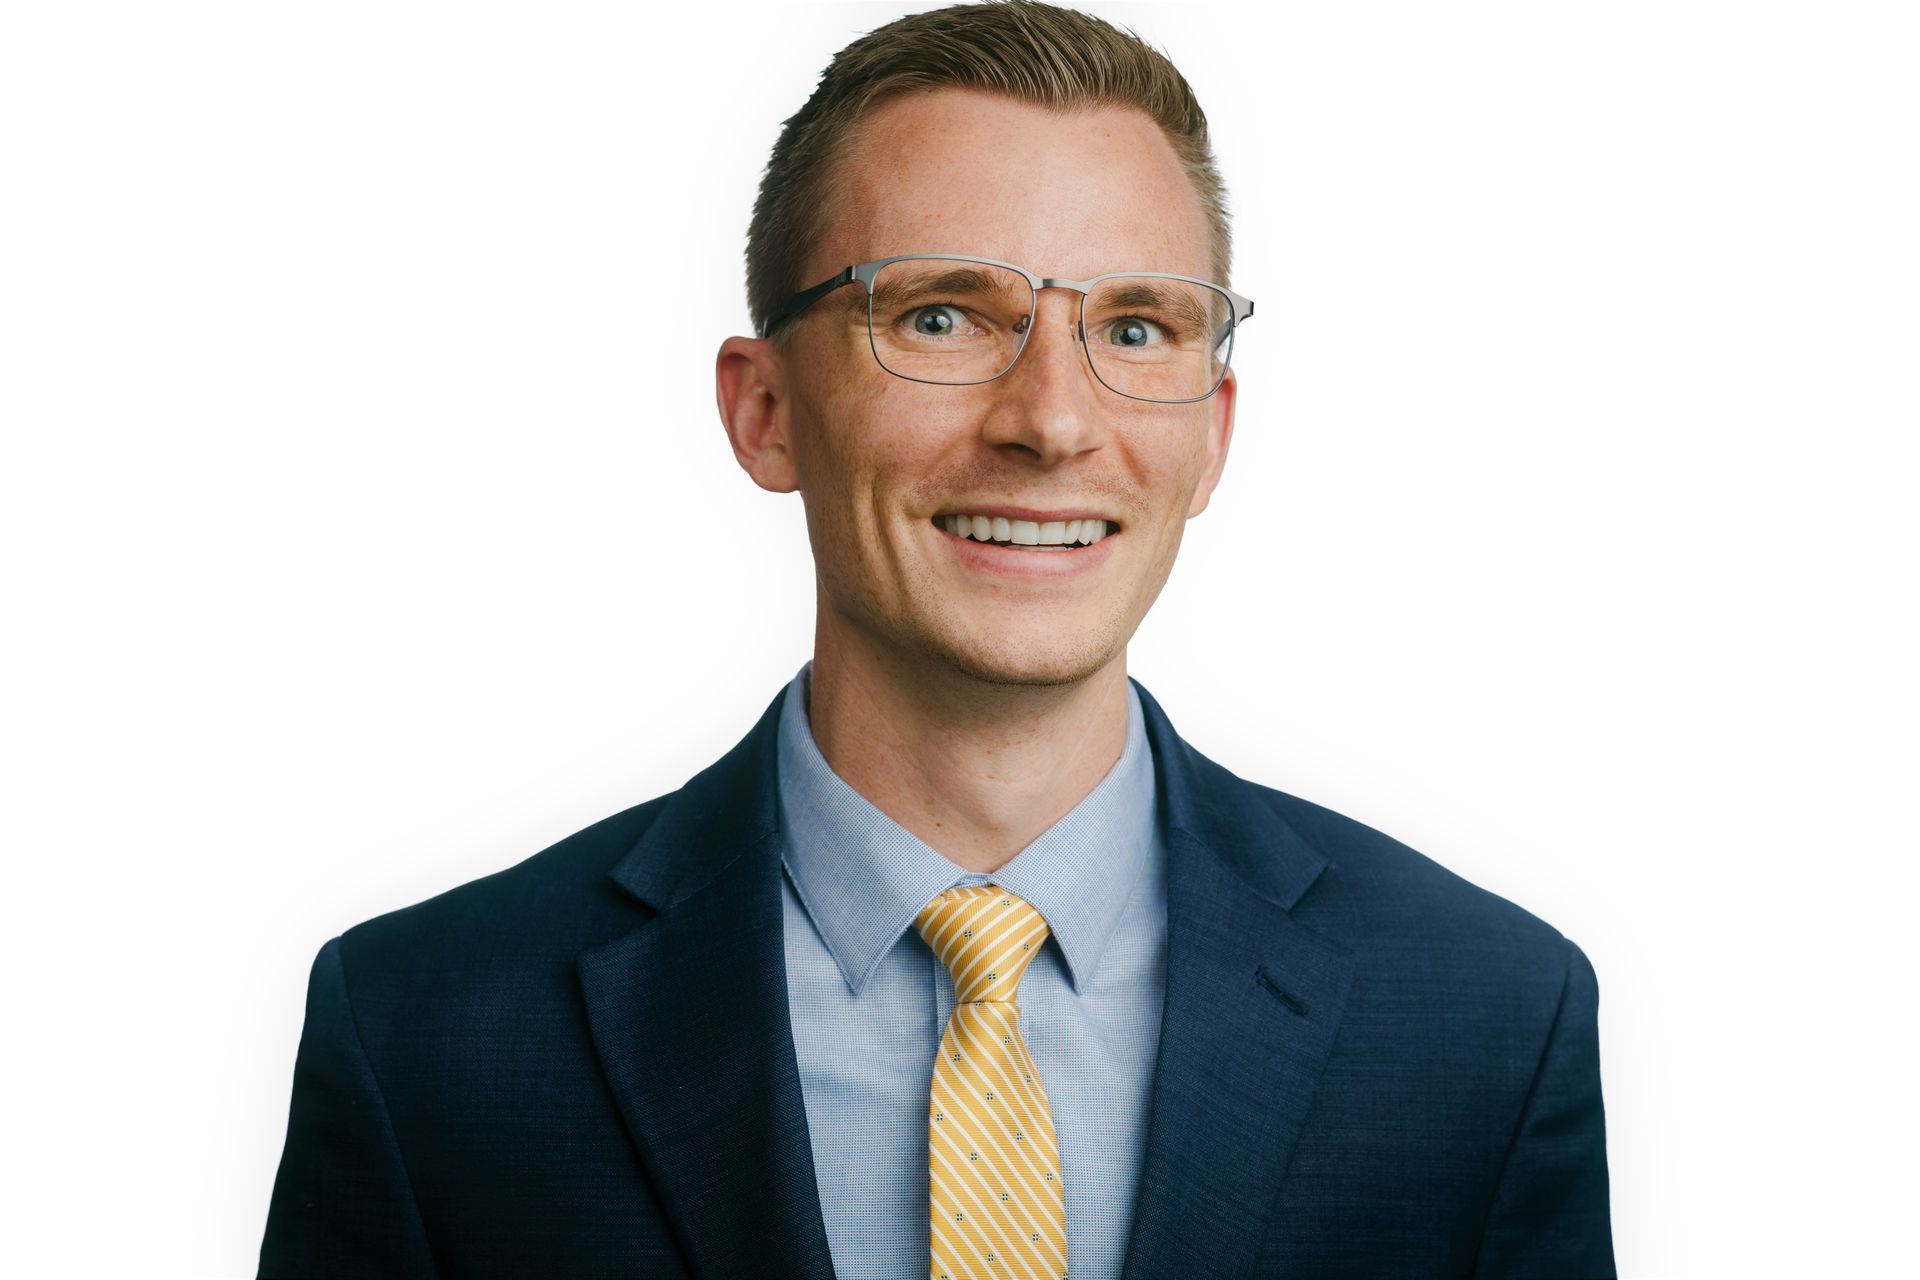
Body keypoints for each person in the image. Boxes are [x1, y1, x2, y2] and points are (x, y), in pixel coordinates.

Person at [258, 2, 1614, 1276]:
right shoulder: (428, 1036)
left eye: (1136, 328)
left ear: (1212, 431)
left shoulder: (1488, 1024)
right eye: (942, 316)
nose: (1053, 420)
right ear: (767, 411)